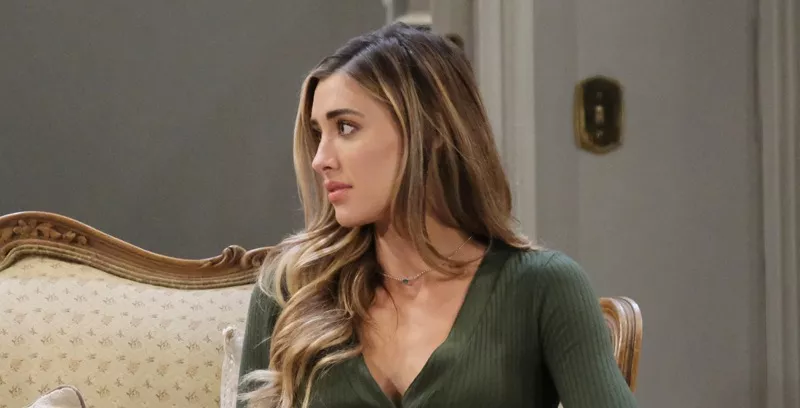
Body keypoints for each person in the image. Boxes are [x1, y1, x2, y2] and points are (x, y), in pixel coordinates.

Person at [237, 23, 638, 408]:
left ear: (430, 134)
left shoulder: (542, 287)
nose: (321, 159)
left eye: (345, 127)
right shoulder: (292, 288)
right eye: (317, 133)